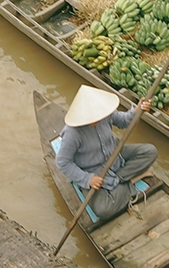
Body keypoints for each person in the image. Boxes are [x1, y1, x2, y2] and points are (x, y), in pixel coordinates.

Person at [53, 85, 157, 224]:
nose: (99, 117)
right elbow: (63, 162)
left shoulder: (105, 112)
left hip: (114, 155)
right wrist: (88, 179)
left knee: (150, 151)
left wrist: (137, 110)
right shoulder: (73, 133)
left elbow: (124, 121)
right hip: (94, 171)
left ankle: (119, 179)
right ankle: (131, 180)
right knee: (103, 210)